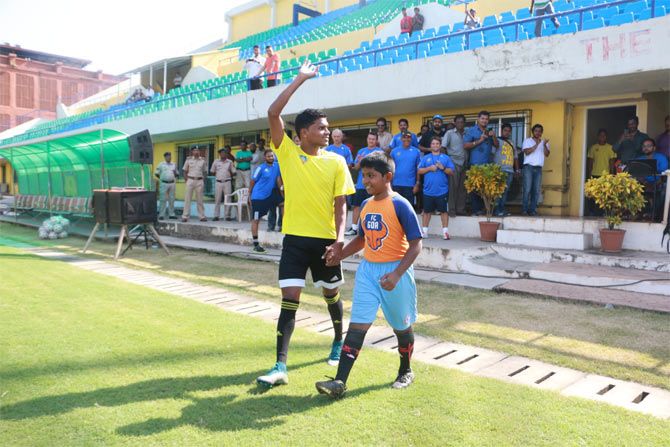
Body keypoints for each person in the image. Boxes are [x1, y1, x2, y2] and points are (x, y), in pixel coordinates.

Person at [256, 61, 355, 387]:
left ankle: (338, 340)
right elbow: (273, 113)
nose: (328, 131)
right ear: (302, 134)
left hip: (327, 242)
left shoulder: (337, 161)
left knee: (331, 295)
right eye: (322, 128)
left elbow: (341, 206)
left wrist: (339, 242)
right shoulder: (286, 152)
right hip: (295, 240)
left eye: (328, 127)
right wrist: (300, 78)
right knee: (290, 300)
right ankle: (279, 366)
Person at [315, 152, 423, 398]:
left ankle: (405, 370)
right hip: (368, 271)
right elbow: (362, 239)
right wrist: (339, 254)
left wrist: (396, 274)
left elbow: (416, 244)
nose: (365, 181)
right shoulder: (365, 205)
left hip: (395, 272)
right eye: (363, 175)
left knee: (402, 327)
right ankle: (340, 382)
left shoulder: (400, 204)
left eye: (371, 176)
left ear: (387, 177)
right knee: (357, 326)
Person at [345, 132, 383, 236]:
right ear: (367, 139)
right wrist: (360, 161)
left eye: (373, 139)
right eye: (369, 139)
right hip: (362, 184)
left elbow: (380, 168)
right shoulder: (362, 151)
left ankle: (371, 228)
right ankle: (354, 228)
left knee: (373, 205)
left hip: (373, 184)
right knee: (357, 206)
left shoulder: (379, 152)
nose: (371, 141)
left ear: (376, 141)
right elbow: (356, 168)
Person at [418, 137, 454, 239]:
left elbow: (451, 172)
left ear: (440, 145)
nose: (435, 145)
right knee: (426, 211)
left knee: (443, 211)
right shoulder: (425, 158)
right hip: (428, 190)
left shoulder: (445, 158)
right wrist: (429, 168)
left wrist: (443, 168)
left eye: (437, 144)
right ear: (430, 145)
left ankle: (445, 232)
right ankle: (424, 232)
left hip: (442, 190)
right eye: (433, 144)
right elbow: (419, 171)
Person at [464, 111, 498, 215]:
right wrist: (481, 139)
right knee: (475, 190)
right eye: (482, 118)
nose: (484, 121)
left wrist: (494, 136)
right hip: (475, 165)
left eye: (486, 119)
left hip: (487, 166)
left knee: (486, 189)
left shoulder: (489, 131)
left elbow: (496, 145)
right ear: (478, 119)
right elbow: (465, 145)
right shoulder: (471, 130)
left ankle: (485, 210)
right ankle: (475, 211)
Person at [249, 150, 282, 252]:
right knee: (256, 220)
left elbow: (278, 179)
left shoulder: (277, 166)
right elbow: (252, 181)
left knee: (284, 204)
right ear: (265, 158)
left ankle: (285, 228)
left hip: (270, 195)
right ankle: (256, 244)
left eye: (272, 156)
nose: (271, 157)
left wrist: (282, 191)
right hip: (258, 197)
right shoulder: (260, 168)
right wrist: (249, 195)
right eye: (268, 156)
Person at [634, 138, 668, 219]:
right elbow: (636, 174)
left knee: (664, 190)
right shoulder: (639, 159)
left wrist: (654, 185)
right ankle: (637, 214)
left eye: (649, 146)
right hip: (643, 184)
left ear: (654, 148)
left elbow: (663, 175)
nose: (646, 148)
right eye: (644, 146)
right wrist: (645, 183)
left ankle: (654, 214)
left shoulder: (661, 158)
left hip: (658, 183)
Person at [521, 124, 550, 216]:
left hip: (538, 168)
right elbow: (526, 152)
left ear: (542, 132)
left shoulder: (544, 143)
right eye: (536, 131)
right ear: (533, 132)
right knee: (527, 189)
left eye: (540, 131)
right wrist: (536, 144)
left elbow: (547, 154)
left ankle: (532, 210)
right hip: (528, 167)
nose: (538, 133)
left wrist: (544, 145)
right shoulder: (527, 141)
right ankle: (524, 210)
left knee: (536, 190)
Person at [442, 114, 468, 216]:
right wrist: (446, 162)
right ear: (455, 123)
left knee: (462, 188)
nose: (460, 124)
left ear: (464, 123)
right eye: (458, 122)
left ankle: (460, 209)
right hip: (453, 162)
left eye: (462, 122)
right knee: (453, 187)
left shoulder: (467, 133)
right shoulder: (449, 133)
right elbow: (443, 147)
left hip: (465, 163)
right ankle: (452, 210)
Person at [494, 123, 519, 216]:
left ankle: (502, 208)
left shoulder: (512, 143)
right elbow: (492, 153)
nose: (507, 132)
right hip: (500, 169)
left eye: (509, 131)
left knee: (506, 191)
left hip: (510, 170)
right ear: (501, 131)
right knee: (498, 191)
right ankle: (496, 210)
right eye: (505, 130)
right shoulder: (497, 141)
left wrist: (517, 170)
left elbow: (515, 157)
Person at [390, 131, 421, 206]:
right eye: (404, 137)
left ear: (411, 139)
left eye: (409, 137)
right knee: (395, 209)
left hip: (410, 186)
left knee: (408, 209)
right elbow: (390, 168)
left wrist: (417, 183)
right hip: (396, 185)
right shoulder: (394, 151)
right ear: (401, 139)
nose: (406, 139)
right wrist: (389, 184)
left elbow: (418, 169)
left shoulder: (416, 151)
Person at [182, 147, 208, 222]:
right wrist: (186, 180)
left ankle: (202, 216)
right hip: (190, 180)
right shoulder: (188, 160)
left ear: (199, 152)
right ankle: (185, 216)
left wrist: (203, 180)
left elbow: (205, 172)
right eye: (195, 150)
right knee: (187, 199)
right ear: (192, 152)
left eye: (197, 150)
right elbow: (184, 171)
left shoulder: (203, 160)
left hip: (199, 180)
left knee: (200, 200)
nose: (196, 152)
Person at [211, 148, 236, 221]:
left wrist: (230, 173)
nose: (223, 154)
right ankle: (216, 216)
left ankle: (227, 215)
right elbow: (212, 171)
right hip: (218, 182)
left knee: (228, 199)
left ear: (226, 154)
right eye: (221, 153)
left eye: (224, 153)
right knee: (217, 199)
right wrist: (218, 174)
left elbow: (233, 172)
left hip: (227, 182)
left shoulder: (230, 162)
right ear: (219, 154)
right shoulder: (216, 162)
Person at [154, 152, 178, 220]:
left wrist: (175, 173)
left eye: (170, 156)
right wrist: (163, 178)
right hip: (164, 184)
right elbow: (156, 174)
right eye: (167, 156)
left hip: (172, 183)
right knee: (163, 199)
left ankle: (172, 214)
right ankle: (161, 215)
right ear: (165, 157)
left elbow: (176, 174)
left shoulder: (174, 164)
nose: (169, 158)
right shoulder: (161, 164)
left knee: (172, 199)